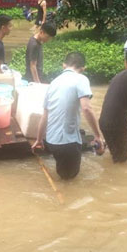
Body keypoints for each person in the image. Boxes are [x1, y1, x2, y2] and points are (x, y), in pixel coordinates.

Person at [31, 52, 106, 180]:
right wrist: (98, 136)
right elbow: (87, 109)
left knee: (63, 173)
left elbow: (45, 115)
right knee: (70, 180)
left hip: (51, 141)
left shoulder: (53, 83)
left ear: (64, 65)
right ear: (83, 69)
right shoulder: (81, 79)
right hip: (68, 142)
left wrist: (38, 140)